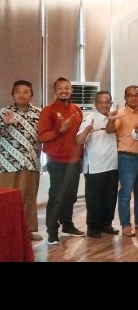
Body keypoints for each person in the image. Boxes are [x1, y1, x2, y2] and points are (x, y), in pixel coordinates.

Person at [38, 77, 85, 245]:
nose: (64, 91)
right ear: (55, 91)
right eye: (60, 88)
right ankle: (52, 231)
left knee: (71, 195)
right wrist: (60, 130)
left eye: (67, 88)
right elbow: (42, 136)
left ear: (71, 90)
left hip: (75, 160)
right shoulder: (48, 111)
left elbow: (79, 135)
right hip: (56, 161)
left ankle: (67, 225)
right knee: (57, 196)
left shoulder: (77, 110)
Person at [105, 85, 138, 237]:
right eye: (130, 95)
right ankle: (125, 224)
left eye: (137, 95)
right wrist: (111, 121)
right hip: (127, 158)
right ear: (125, 97)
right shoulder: (120, 114)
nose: (133, 98)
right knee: (126, 193)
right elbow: (110, 130)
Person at [0, 80, 43, 241]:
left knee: (28, 198)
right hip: (7, 164)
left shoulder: (39, 113)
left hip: (31, 163)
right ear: (12, 94)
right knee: (7, 199)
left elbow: (45, 134)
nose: (22, 95)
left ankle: (28, 231)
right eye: (18, 92)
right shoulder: (4, 112)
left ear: (31, 95)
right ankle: (5, 231)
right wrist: (4, 124)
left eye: (26, 92)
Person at [76, 90, 119, 238]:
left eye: (107, 102)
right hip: (95, 167)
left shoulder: (113, 117)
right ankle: (93, 227)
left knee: (110, 198)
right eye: (101, 102)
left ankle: (107, 224)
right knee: (94, 199)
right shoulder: (90, 118)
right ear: (95, 104)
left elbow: (110, 130)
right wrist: (87, 131)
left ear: (111, 103)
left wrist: (111, 120)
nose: (104, 105)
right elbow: (79, 140)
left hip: (112, 164)